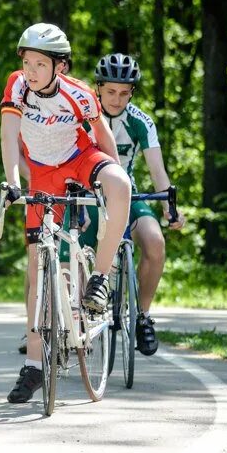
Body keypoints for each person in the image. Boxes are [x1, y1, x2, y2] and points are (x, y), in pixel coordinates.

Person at [0, 23, 131, 403]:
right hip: (41, 173)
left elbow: (102, 138)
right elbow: (9, 135)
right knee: (36, 271)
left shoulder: (80, 94)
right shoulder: (17, 86)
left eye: (40, 63)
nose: (31, 71)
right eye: (27, 62)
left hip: (78, 159)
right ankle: (35, 367)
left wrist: (111, 180)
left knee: (120, 185)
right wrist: (11, 183)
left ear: (61, 66)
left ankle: (100, 278)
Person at [70, 53, 185, 356]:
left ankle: (143, 317)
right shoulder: (83, 118)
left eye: (124, 93)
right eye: (110, 91)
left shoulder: (140, 121)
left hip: (128, 195)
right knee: (80, 257)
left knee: (155, 242)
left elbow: (157, 170)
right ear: (98, 88)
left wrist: (169, 206)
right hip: (90, 196)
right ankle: (77, 320)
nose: (117, 99)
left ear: (132, 92)